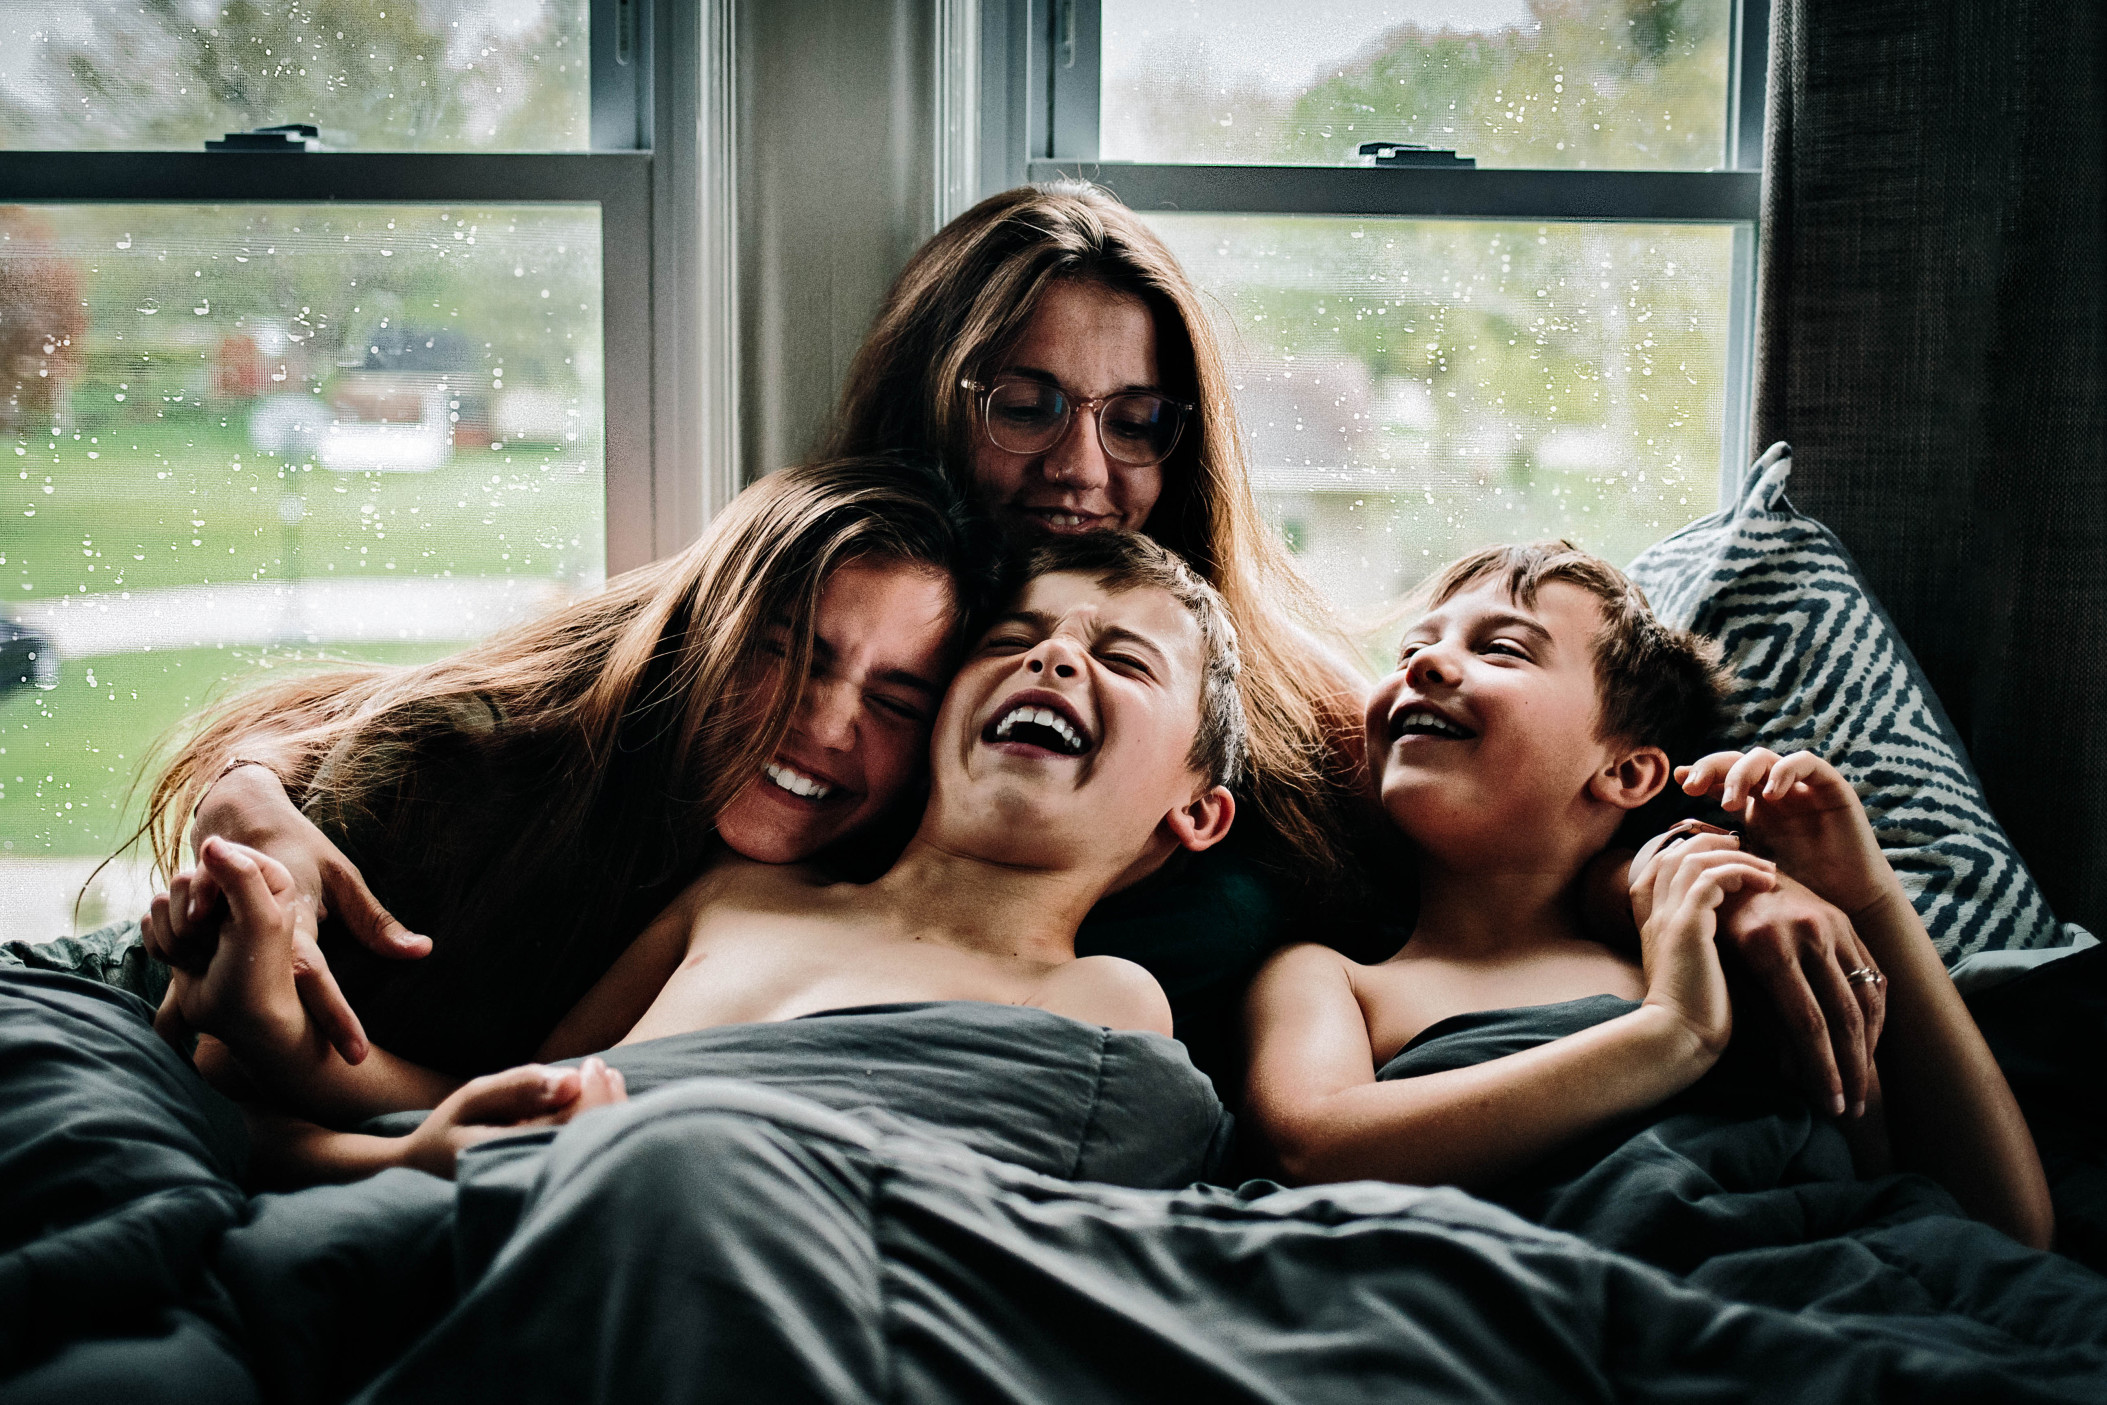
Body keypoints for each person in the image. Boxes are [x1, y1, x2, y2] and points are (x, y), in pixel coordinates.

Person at [827, 181, 1891, 1112]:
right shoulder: (826, 650)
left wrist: (1709, 889)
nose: (1082, 466)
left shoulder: (1273, 693)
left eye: (1137, 420)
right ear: (929, 393)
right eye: (1025, 405)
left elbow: (1517, 822)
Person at [157, 531, 1244, 1182]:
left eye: (1122, 658)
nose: (1053, 654)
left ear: (1194, 814)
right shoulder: (743, 894)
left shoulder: (1105, 996)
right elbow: (507, 1109)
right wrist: (277, 1031)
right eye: (1015, 640)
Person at [1242, 541, 2053, 1250]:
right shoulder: (1330, 977)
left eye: (1504, 650)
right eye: (1411, 648)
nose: (1423, 663)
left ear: (1627, 770)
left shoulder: (1702, 951)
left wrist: (1868, 898)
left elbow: (2001, 1225)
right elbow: (1314, 1151)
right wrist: (1671, 1036)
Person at [141, 456, 1004, 1081]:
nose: (825, 722)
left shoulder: (845, 890)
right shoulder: (460, 772)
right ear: (705, 632)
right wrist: (249, 798)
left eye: (896, 700)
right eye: (787, 651)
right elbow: (212, 1055)